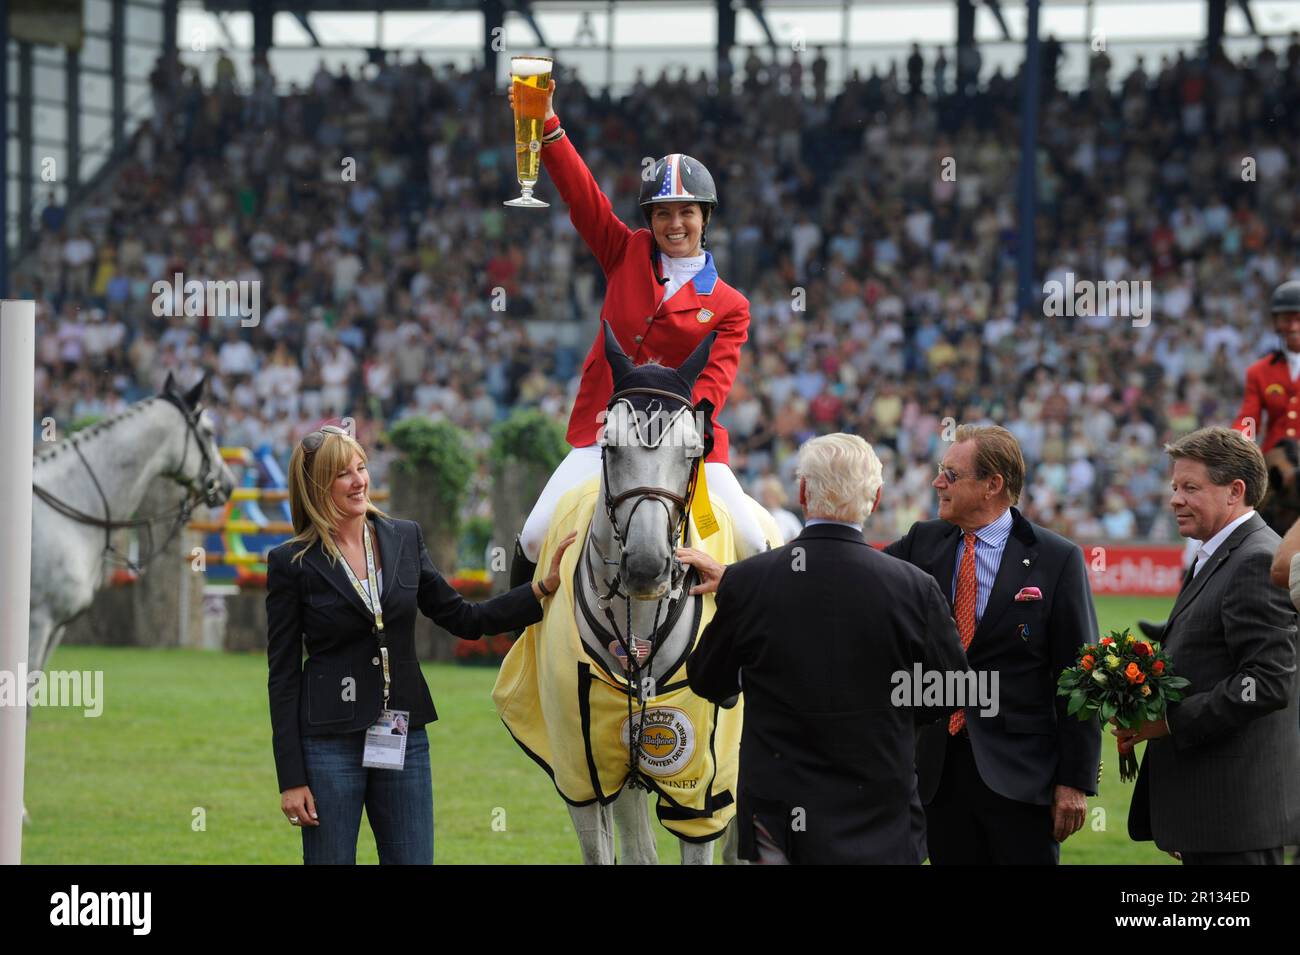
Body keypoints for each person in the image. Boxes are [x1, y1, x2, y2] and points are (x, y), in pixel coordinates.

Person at [505, 74, 766, 602]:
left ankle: (752, 656)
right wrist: (548, 123)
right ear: (651, 218)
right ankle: (521, 647)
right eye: (663, 213)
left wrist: (679, 431)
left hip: (684, 446)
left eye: (686, 212)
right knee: (534, 535)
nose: (674, 224)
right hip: (604, 429)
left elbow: (713, 384)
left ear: (704, 218)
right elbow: (584, 199)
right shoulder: (625, 253)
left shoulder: (730, 305)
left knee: (754, 540)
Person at [266, 424, 575, 864]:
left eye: (362, 468)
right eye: (343, 474)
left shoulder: (402, 537)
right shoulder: (290, 563)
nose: (360, 481)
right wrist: (291, 778)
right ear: (316, 486)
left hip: (402, 734)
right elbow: (282, 676)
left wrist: (540, 589)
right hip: (329, 743)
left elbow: (465, 618)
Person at [677, 434, 968, 864]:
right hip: (880, 816)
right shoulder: (912, 588)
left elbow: (706, 678)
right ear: (875, 498)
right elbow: (954, 691)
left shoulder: (750, 582)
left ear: (801, 493)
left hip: (777, 823)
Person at [882, 425, 1101, 864]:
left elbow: (1080, 675)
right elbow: (852, 570)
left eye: (950, 474)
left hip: (1022, 777)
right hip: (939, 774)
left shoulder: (1056, 558)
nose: (936, 482)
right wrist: (748, 576)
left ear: (992, 485)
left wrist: (1074, 780)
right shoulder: (923, 542)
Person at [1122, 427, 1300, 864]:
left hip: (1234, 817)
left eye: (1190, 488)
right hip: (1214, 815)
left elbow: (1267, 681)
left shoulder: (1256, 559)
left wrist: (1168, 721)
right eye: (1174, 487)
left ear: (1234, 491)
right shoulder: (1220, 553)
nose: (1175, 499)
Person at [1232, 279, 1300, 453]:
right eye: (1286, 319)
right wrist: (1238, 444)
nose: (1293, 327)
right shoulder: (1259, 372)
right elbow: (1249, 418)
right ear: (1276, 323)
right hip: (1274, 460)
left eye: (1299, 319)